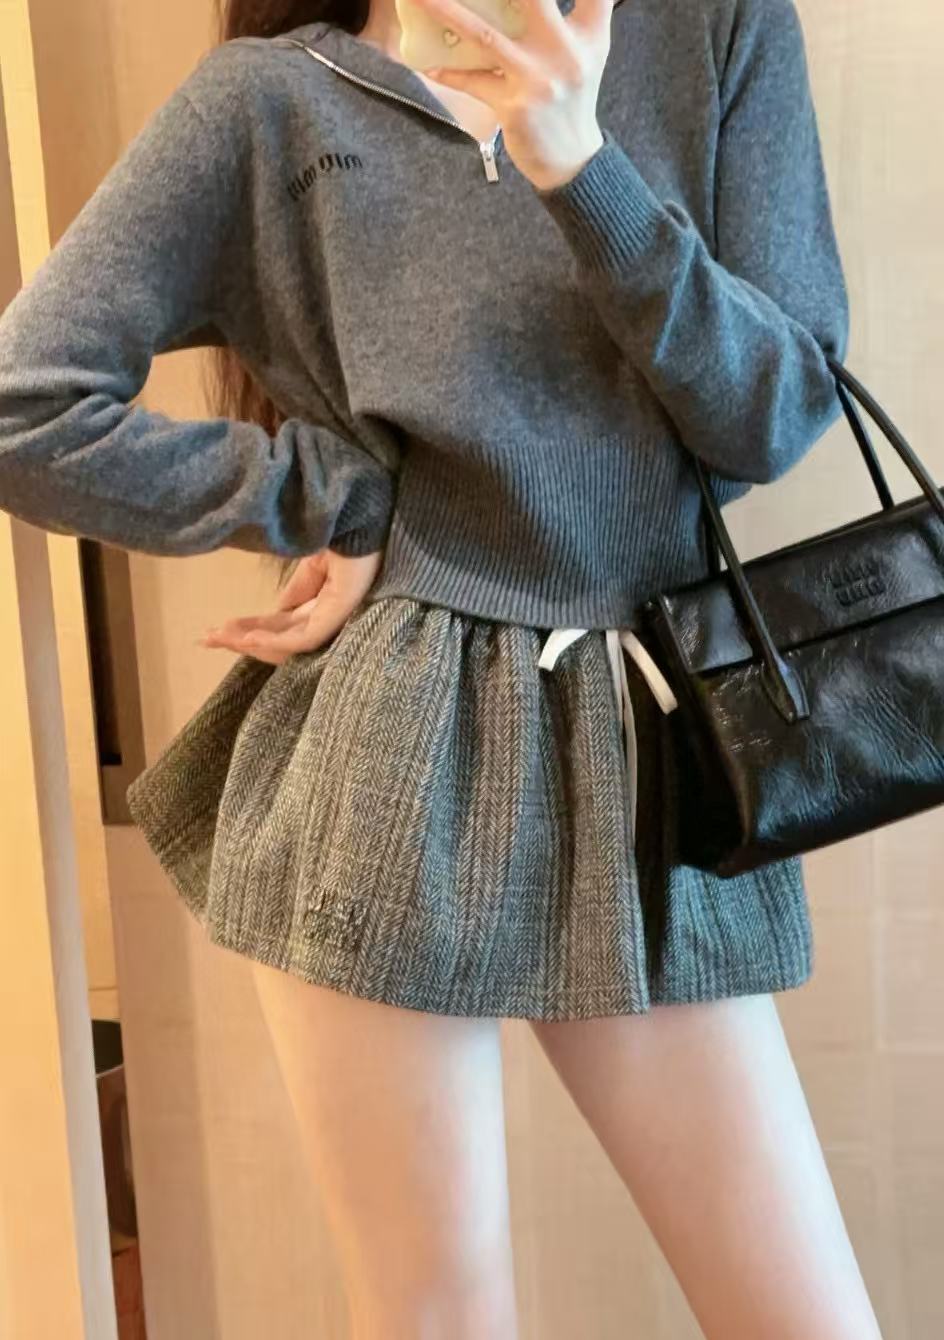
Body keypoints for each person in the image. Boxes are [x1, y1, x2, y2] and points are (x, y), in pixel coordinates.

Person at [0, 0, 883, 1334]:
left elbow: (775, 413)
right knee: (433, 1316)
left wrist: (584, 172)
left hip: (646, 738)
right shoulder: (271, 102)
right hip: (389, 748)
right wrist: (328, 497)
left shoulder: (716, 26)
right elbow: (30, 407)